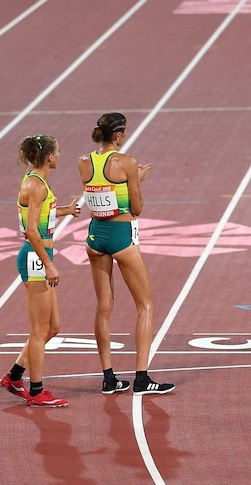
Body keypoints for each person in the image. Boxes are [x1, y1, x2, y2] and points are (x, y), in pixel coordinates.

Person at [78, 113, 174, 395]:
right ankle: (142, 379)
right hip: (121, 237)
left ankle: (109, 378)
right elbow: (137, 207)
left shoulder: (83, 162)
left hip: (95, 237)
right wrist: (138, 179)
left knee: (103, 308)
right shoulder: (127, 162)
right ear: (118, 136)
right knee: (145, 306)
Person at [0, 134, 80, 407]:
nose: (60, 155)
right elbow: (31, 229)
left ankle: (14, 376)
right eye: (57, 152)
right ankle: (36, 390)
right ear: (49, 157)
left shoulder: (38, 182)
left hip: (40, 254)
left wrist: (65, 210)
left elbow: (38, 216)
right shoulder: (36, 185)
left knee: (52, 327)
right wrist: (48, 263)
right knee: (38, 329)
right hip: (35, 257)